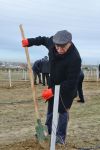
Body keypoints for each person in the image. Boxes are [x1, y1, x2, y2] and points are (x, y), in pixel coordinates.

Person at [22, 30, 81, 144]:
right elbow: (43, 39)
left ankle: (60, 137)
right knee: (50, 110)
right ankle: (47, 131)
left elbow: (71, 82)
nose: (59, 49)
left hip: (66, 90)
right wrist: (30, 41)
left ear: (70, 43)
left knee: (62, 112)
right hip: (53, 84)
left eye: (63, 47)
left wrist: (54, 91)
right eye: (57, 46)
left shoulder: (75, 58)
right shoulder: (53, 42)